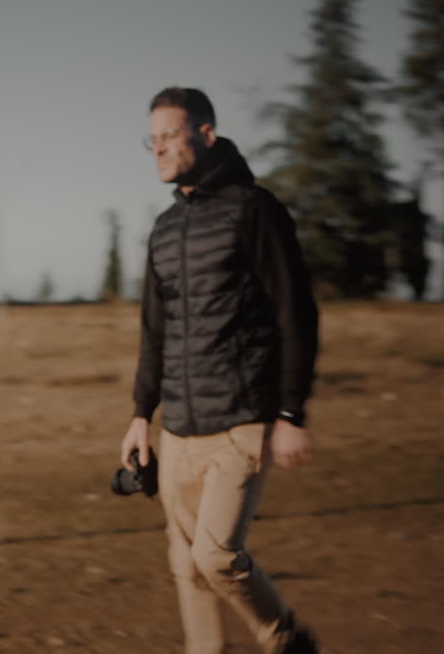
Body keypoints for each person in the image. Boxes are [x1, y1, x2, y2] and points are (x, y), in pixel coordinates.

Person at [120, 86, 320, 654]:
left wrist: (291, 413)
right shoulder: (165, 228)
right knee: (186, 565)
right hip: (179, 429)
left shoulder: (255, 210)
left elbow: (295, 312)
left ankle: (286, 639)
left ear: (206, 134)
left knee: (216, 556)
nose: (159, 149)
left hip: (241, 422)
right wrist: (141, 415)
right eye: (151, 139)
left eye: (169, 135)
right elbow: (154, 330)